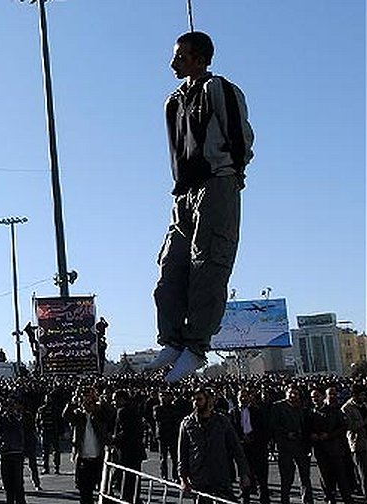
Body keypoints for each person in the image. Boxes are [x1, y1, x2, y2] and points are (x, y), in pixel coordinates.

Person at [149, 31, 255, 382]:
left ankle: (195, 347)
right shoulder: (173, 100)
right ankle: (172, 341)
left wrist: (231, 172)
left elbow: (240, 137)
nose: (173, 62)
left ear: (199, 58)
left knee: (208, 264)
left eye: (181, 56)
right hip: (184, 193)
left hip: (217, 183)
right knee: (171, 266)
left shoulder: (219, 89)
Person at [178, 387, 250, 504]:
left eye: (199, 399)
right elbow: (182, 453)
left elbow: (236, 449)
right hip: (199, 478)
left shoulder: (222, 421)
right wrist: (183, 478)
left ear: (209, 401)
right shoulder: (187, 423)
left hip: (220, 476)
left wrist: (243, 473)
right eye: (194, 399)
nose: (195, 403)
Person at [64, 385, 112, 504]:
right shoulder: (79, 416)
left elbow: (110, 412)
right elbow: (66, 416)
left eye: (91, 403)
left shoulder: (100, 415)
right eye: (86, 402)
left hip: (100, 459)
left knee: (106, 494)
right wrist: (73, 401)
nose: (88, 405)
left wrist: (98, 400)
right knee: (85, 496)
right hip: (84, 460)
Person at [308, 386, 358, 504]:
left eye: (317, 396)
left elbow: (343, 427)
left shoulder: (334, 411)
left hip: (335, 448)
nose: (315, 399)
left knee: (341, 477)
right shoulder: (310, 413)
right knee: (325, 478)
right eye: (313, 397)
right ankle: (330, 499)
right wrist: (311, 435)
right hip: (320, 450)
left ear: (323, 396)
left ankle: (349, 502)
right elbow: (306, 428)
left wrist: (329, 435)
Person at [271, 385, 314, 504]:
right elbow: (274, 425)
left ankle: (308, 501)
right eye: (291, 393)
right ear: (286, 394)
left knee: (305, 476)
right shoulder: (278, 407)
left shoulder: (302, 408)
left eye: (296, 394)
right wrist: (286, 433)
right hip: (285, 447)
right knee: (287, 477)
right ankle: (285, 502)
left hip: (301, 446)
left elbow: (306, 425)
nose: (293, 396)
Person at [228, 388, 270, 504]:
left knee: (261, 474)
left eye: (246, 396)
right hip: (241, 448)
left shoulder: (257, 411)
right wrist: (241, 438)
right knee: (244, 473)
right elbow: (231, 430)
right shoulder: (233, 413)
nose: (243, 398)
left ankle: (264, 499)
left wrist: (254, 437)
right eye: (241, 396)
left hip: (257, 447)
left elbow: (263, 428)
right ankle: (245, 499)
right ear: (237, 398)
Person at [0, 397, 27, 504]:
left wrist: (13, 413)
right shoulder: (0, 417)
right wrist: (0, 412)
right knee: (8, 486)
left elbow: (21, 423)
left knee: (18, 485)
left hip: (16, 452)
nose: (9, 408)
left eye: (11, 406)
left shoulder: (19, 416)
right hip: (4, 453)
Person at [341, 383, 367, 497]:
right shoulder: (347, 408)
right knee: (364, 472)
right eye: (360, 395)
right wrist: (364, 422)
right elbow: (349, 426)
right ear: (354, 395)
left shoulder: (365, 405)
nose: (363, 397)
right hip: (358, 444)